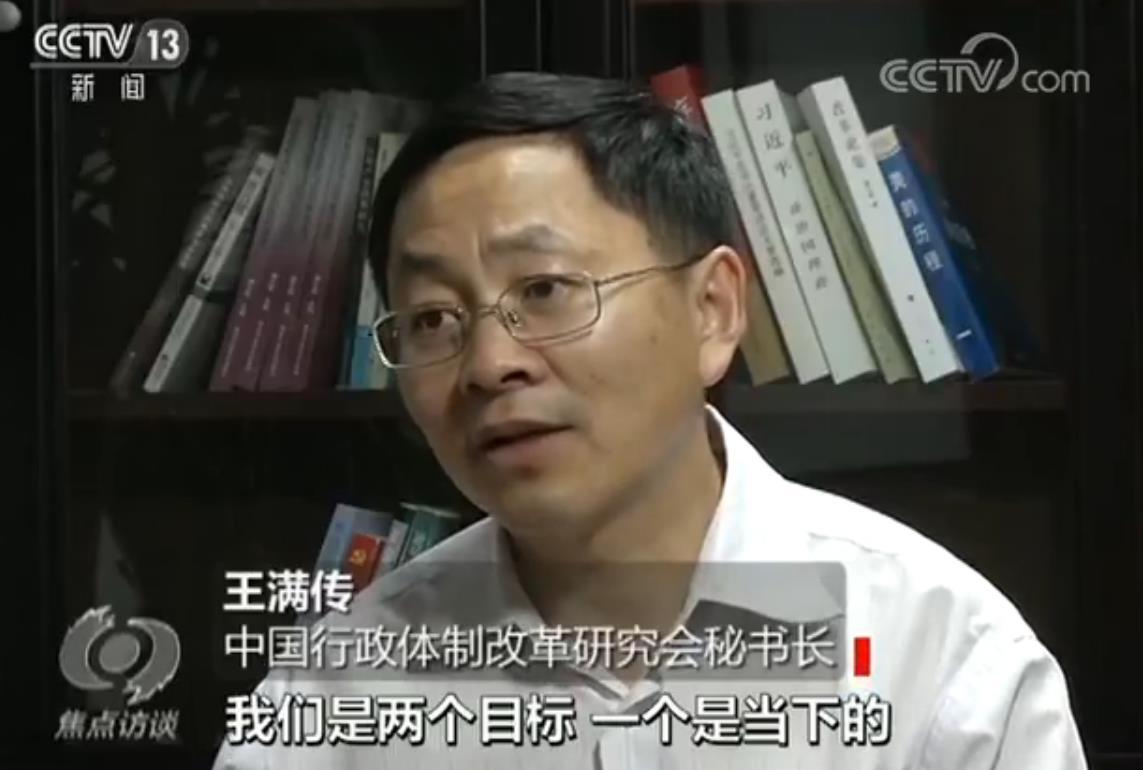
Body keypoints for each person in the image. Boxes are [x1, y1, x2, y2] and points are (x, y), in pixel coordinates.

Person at [214, 72, 1087, 769]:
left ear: (713, 309)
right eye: (434, 317)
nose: (488, 364)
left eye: (545, 290)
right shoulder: (335, 696)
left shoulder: (935, 656)